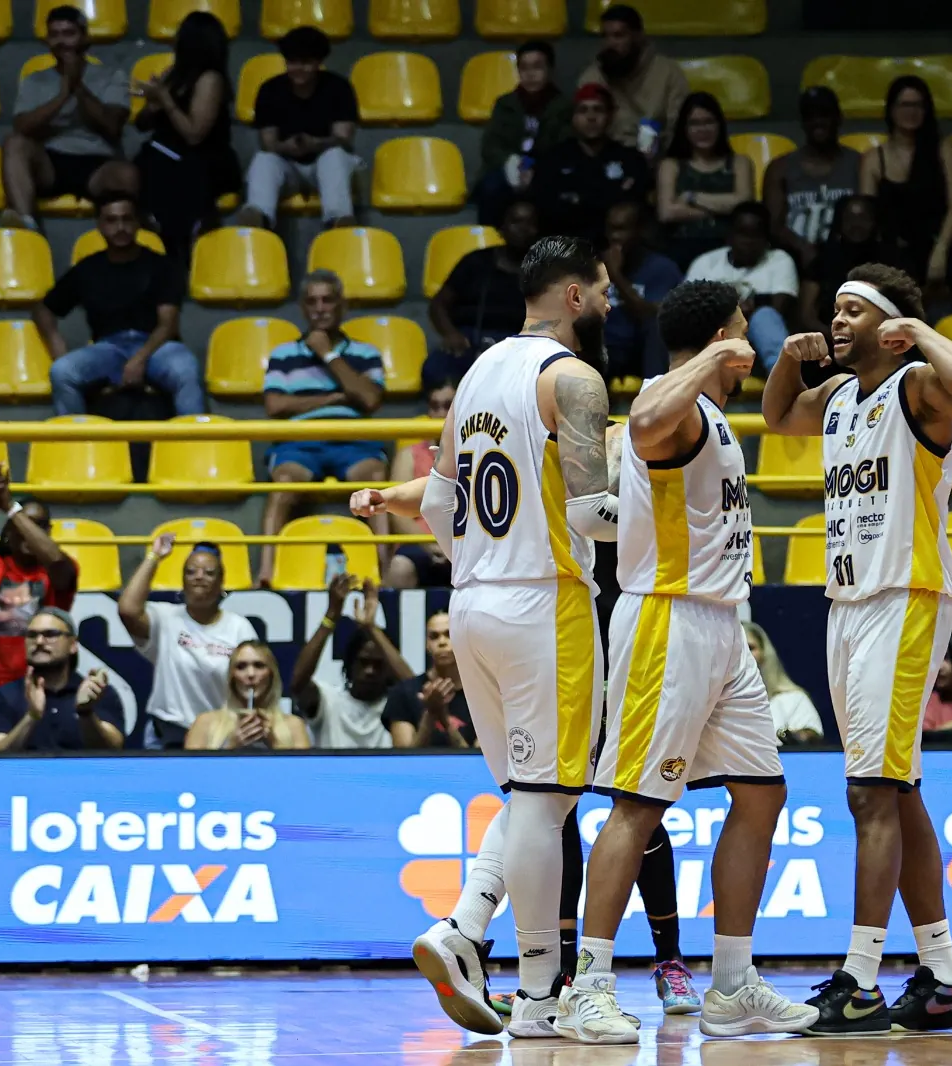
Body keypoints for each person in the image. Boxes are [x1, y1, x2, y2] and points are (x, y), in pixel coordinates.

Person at [350, 236, 617, 1039]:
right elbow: (589, 517)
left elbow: (438, 502)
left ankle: (471, 935)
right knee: (547, 801)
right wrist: (667, 509)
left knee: (532, 797)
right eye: (601, 291)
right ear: (573, 296)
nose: (609, 304)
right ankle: (531, 989)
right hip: (547, 601)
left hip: (471, 603)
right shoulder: (574, 378)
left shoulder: (472, 378)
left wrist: (380, 501)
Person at [564, 279, 818, 1043]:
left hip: (722, 624)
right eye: (741, 331)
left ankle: (733, 982)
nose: (747, 349)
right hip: (666, 620)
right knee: (639, 807)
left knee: (763, 795)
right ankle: (591, 985)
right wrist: (714, 355)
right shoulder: (669, 411)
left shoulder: (711, 413)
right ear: (717, 335)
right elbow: (640, 417)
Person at [762, 263, 952, 1035]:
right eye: (834, 311)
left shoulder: (918, 387)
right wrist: (789, 361)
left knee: (868, 792)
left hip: (905, 596)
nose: (837, 321)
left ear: (890, 328)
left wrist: (921, 334)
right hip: (848, 601)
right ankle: (944, 978)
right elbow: (777, 419)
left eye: (853, 312)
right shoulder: (835, 398)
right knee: (897, 788)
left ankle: (860, 977)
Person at [257, 270, 389, 588]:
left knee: (375, 482)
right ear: (302, 307)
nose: (320, 308)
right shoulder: (284, 354)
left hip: (353, 442)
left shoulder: (365, 353)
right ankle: (263, 575)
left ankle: (386, 574)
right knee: (284, 482)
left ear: (342, 305)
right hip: (300, 442)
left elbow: (370, 399)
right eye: (312, 301)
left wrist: (327, 355)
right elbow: (275, 406)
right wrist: (334, 397)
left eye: (328, 300)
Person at [34, 193, 205, 417]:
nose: (120, 227)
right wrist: (58, 349)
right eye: (112, 220)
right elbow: (44, 309)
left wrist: (138, 359)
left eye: (127, 219)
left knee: (186, 369)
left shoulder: (162, 265)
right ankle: (77, 447)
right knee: (62, 371)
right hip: (108, 348)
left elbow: (168, 324)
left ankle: (194, 448)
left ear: (137, 224)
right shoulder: (88, 269)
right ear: (99, 225)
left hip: (157, 348)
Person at [860, 76, 952, 312]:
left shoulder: (944, 149)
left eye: (918, 105)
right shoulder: (873, 158)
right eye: (904, 105)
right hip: (899, 244)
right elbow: (868, 215)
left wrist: (940, 252)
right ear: (891, 110)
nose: (911, 111)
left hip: (943, 238)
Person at [1, 4, 136, 232]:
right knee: (14, 144)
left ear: (84, 37)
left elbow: (112, 126)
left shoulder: (111, 76)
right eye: (54, 35)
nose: (61, 42)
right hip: (50, 162)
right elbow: (22, 127)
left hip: (98, 161)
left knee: (128, 174)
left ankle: (132, 231)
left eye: (69, 33)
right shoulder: (35, 80)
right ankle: (26, 226)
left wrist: (77, 86)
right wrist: (62, 96)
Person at [119, 534, 258, 749]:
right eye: (190, 572)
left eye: (209, 572)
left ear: (222, 583)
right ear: (182, 582)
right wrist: (155, 556)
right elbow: (127, 609)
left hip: (217, 738)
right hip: (166, 736)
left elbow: (253, 681)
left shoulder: (239, 628)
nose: (198, 577)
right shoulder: (165, 618)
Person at [0, 463, 78, 711]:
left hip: (49, 691)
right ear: (9, 533)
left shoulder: (61, 569)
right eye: (22, 526)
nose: (28, 533)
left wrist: (12, 509)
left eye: (37, 526)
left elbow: (55, 559)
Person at [131, 11, 242, 264]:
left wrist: (166, 100)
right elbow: (141, 125)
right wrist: (152, 104)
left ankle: (185, 245)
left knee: (180, 175)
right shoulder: (175, 73)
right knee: (142, 168)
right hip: (166, 153)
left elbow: (194, 134)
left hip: (205, 160)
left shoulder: (211, 79)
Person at [235, 26, 359, 231]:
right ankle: (258, 217)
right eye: (292, 62)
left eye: (306, 62)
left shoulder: (339, 88)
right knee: (264, 159)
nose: (298, 68)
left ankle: (338, 221)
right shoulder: (270, 89)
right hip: (286, 166)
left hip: (325, 164)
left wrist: (315, 144)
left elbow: (344, 138)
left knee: (334, 156)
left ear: (319, 62)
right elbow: (268, 143)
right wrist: (287, 147)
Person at [0, 607, 125, 752]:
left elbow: (114, 749)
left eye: (51, 634)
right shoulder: (2, 696)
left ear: (73, 644)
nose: (40, 641)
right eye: (32, 635)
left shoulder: (97, 693)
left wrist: (86, 712)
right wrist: (31, 717)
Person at [293, 574, 414, 748]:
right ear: (349, 663)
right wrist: (331, 616)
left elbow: (414, 692)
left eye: (378, 664)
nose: (370, 671)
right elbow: (298, 683)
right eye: (363, 662)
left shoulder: (396, 707)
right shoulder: (329, 701)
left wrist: (372, 629)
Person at [427, 199, 538, 383]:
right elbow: (438, 306)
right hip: (471, 340)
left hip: (520, 345)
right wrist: (451, 334)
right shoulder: (476, 262)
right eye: (516, 222)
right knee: (435, 367)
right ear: (502, 227)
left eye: (530, 223)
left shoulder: (544, 270)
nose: (523, 229)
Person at [685, 203, 799, 372]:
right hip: (715, 333)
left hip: (755, 336)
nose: (748, 242)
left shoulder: (779, 260)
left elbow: (778, 307)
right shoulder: (705, 263)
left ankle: (783, 382)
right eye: (742, 234)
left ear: (767, 238)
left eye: (756, 235)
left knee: (765, 316)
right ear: (729, 235)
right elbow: (686, 309)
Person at [532, 84, 651, 245]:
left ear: (610, 116)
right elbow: (549, 212)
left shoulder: (631, 159)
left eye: (598, 110)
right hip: (566, 247)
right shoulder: (553, 159)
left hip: (617, 248)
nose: (591, 117)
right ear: (573, 117)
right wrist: (610, 195)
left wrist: (578, 200)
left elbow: (634, 211)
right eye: (583, 110)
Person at [766, 87, 864, 272]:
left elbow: (868, 219)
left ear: (839, 118)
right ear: (802, 122)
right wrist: (803, 248)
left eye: (824, 115)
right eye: (810, 116)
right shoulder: (780, 167)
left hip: (847, 257)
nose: (817, 122)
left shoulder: (858, 164)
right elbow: (774, 226)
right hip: (795, 256)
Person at [475, 40, 572, 227]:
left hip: (545, 170)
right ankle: (492, 244)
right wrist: (511, 162)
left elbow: (564, 146)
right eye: (524, 68)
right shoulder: (505, 104)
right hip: (507, 167)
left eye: (537, 67)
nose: (530, 74)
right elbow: (491, 145)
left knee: (554, 190)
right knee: (490, 188)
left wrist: (536, 169)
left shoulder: (563, 106)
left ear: (550, 70)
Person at [656, 92, 753, 270]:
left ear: (719, 125)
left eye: (709, 122)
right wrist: (723, 209)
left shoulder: (740, 162)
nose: (703, 130)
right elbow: (667, 213)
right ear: (684, 129)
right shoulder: (671, 165)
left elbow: (744, 206)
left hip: (730, 248)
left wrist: (691, 197)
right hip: (682, 247)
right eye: (694, 123)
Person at [578, 4, 689, 159]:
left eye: (618, 36)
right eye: (605, 36)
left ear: (638, 37)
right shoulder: (591, 78)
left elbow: (679, 131)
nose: (610, 44)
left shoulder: (668, 72)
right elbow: (585, 134)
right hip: (605, 165)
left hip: (657, 164)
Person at [387, 381, 457, 590]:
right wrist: (429, 544)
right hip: (420, 545)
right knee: (399, 568)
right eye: (434, 407)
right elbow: (396, 511)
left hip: (465, 545)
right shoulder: (408, 455)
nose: (440, 414)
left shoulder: (478, 453)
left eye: (447, 406)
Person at [603, 199, 683, 380]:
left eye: (622, 229)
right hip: (607, 348)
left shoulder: (662, 268)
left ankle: (656, 397)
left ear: (640, 231)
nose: (615, 237)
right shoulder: (594, 267)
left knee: (657, 325)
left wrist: (616, 276)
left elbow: (648, 313)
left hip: (641, 349)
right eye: (611, 229)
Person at [800, 195, 901, 336]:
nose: (856, 224)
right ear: (839, 222)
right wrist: (837, 336)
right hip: (833, 340)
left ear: (874, 221)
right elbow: (807, 316)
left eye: (863, 218)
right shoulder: (822, 261)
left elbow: (904, 309)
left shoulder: (892, 261)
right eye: (850, 218)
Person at [186, 641, 311, 750]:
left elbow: (302, 774)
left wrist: (275, 744)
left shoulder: (294, 726)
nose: (250, 674)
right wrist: (231, 747)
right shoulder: (204, 724)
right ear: (232, 676)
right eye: (241, 667)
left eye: (259, 666)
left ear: (271, 674)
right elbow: (192, 774)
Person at [383, 611, 474, 748]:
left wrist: (444, 719)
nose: (442, 642)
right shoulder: (403, 693)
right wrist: (430, 714)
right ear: (427, 645)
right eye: (434, 636)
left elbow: (481, 763)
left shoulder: (483, 695)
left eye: (449, 635)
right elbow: (404, 762)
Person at [742, 621, 823, 745]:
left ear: (764, 653)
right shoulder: (710, 703)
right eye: (736, 648)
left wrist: (796, 736)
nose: (743, 654)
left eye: (750, 648)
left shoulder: (794, 700)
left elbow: (813, 747)